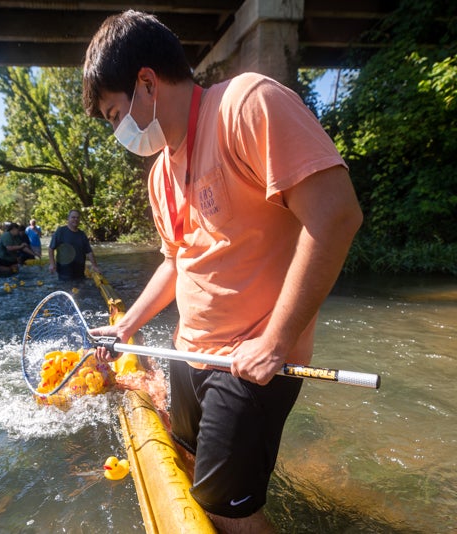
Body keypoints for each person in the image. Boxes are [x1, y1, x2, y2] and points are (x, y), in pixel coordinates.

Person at [82, 10, 363, 533]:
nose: (116, 128)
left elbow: (336, 215)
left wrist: (277, 340)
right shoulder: (161, 173)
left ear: (146, 83)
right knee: (187, 463)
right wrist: (127, 326)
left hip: (253, 361)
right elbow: (176, 261)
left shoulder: (247, 104)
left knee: (225, 515)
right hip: (190, 352)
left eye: (114, 112)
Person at [48, 209, 98, 280]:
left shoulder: (82, 234)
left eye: (77, 218)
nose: (76, 219)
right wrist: (52, 264)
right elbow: (51, 248)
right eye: (73, 217)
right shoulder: (61, 232)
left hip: (79, 272)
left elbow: (89, 252)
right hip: (64, 271)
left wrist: (94, 266)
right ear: (68, 218)